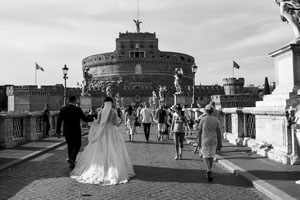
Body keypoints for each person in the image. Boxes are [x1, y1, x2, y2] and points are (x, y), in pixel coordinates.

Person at [70, 97, 135, 185]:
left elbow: (99, 122)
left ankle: (101, 166)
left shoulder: (100, 111)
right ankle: (112, 167)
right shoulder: (113, 112)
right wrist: (121, 121)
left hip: (102, 132)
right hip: (112, 132)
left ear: (104, 103)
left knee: (100, 149)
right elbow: (115, 123)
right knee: (113, 148)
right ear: (111, 103)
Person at [56, 96, 94, 169]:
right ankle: (72, 159)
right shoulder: (77, 109)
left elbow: (59, 121)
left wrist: (58, 131)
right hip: (76, 131)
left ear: (68, 100)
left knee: (70, 146)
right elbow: (85, 119)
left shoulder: (63, 109)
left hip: (67, 131)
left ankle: (71, 162)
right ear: (75, 101)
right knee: (77, 145)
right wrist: (92, 119)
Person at [198, 104, 222, 182]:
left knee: (205, 156)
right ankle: (209, 170)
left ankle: (208, 170)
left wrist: (199, 141)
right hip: (214, 140)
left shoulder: (203, 119)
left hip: (205, 139)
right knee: (211, 156)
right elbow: (218, 132)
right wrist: (220, 142)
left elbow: (200, 131)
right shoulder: (216, 120)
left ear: (206, 111)